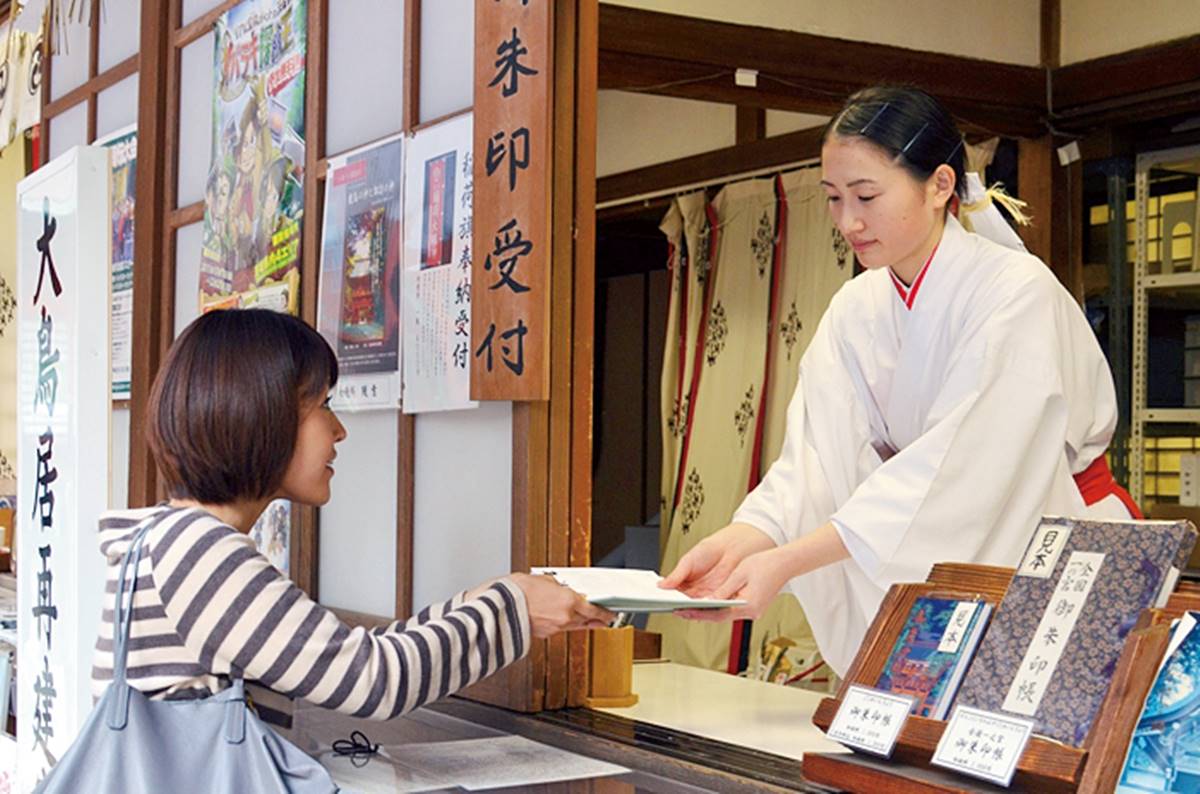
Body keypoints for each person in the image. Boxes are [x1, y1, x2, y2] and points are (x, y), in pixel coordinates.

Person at [660, 85, 1137, 677]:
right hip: (942, 550)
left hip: (1047, 551)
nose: (848, 221)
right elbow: (816, 458)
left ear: (940, 185)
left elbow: (956, 473)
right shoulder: (856, 306)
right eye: (834, 198)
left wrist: (787, 562)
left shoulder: (1016, 293)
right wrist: (747, 537)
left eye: (866, 195)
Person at [92, 309, 613, 717]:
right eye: (321, 405)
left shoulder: (168, 538)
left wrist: (481, 601)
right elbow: (372, 679)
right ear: (259, 415)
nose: (338, 429)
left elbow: (342, 653)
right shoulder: (200, 551)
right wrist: (514, 608)